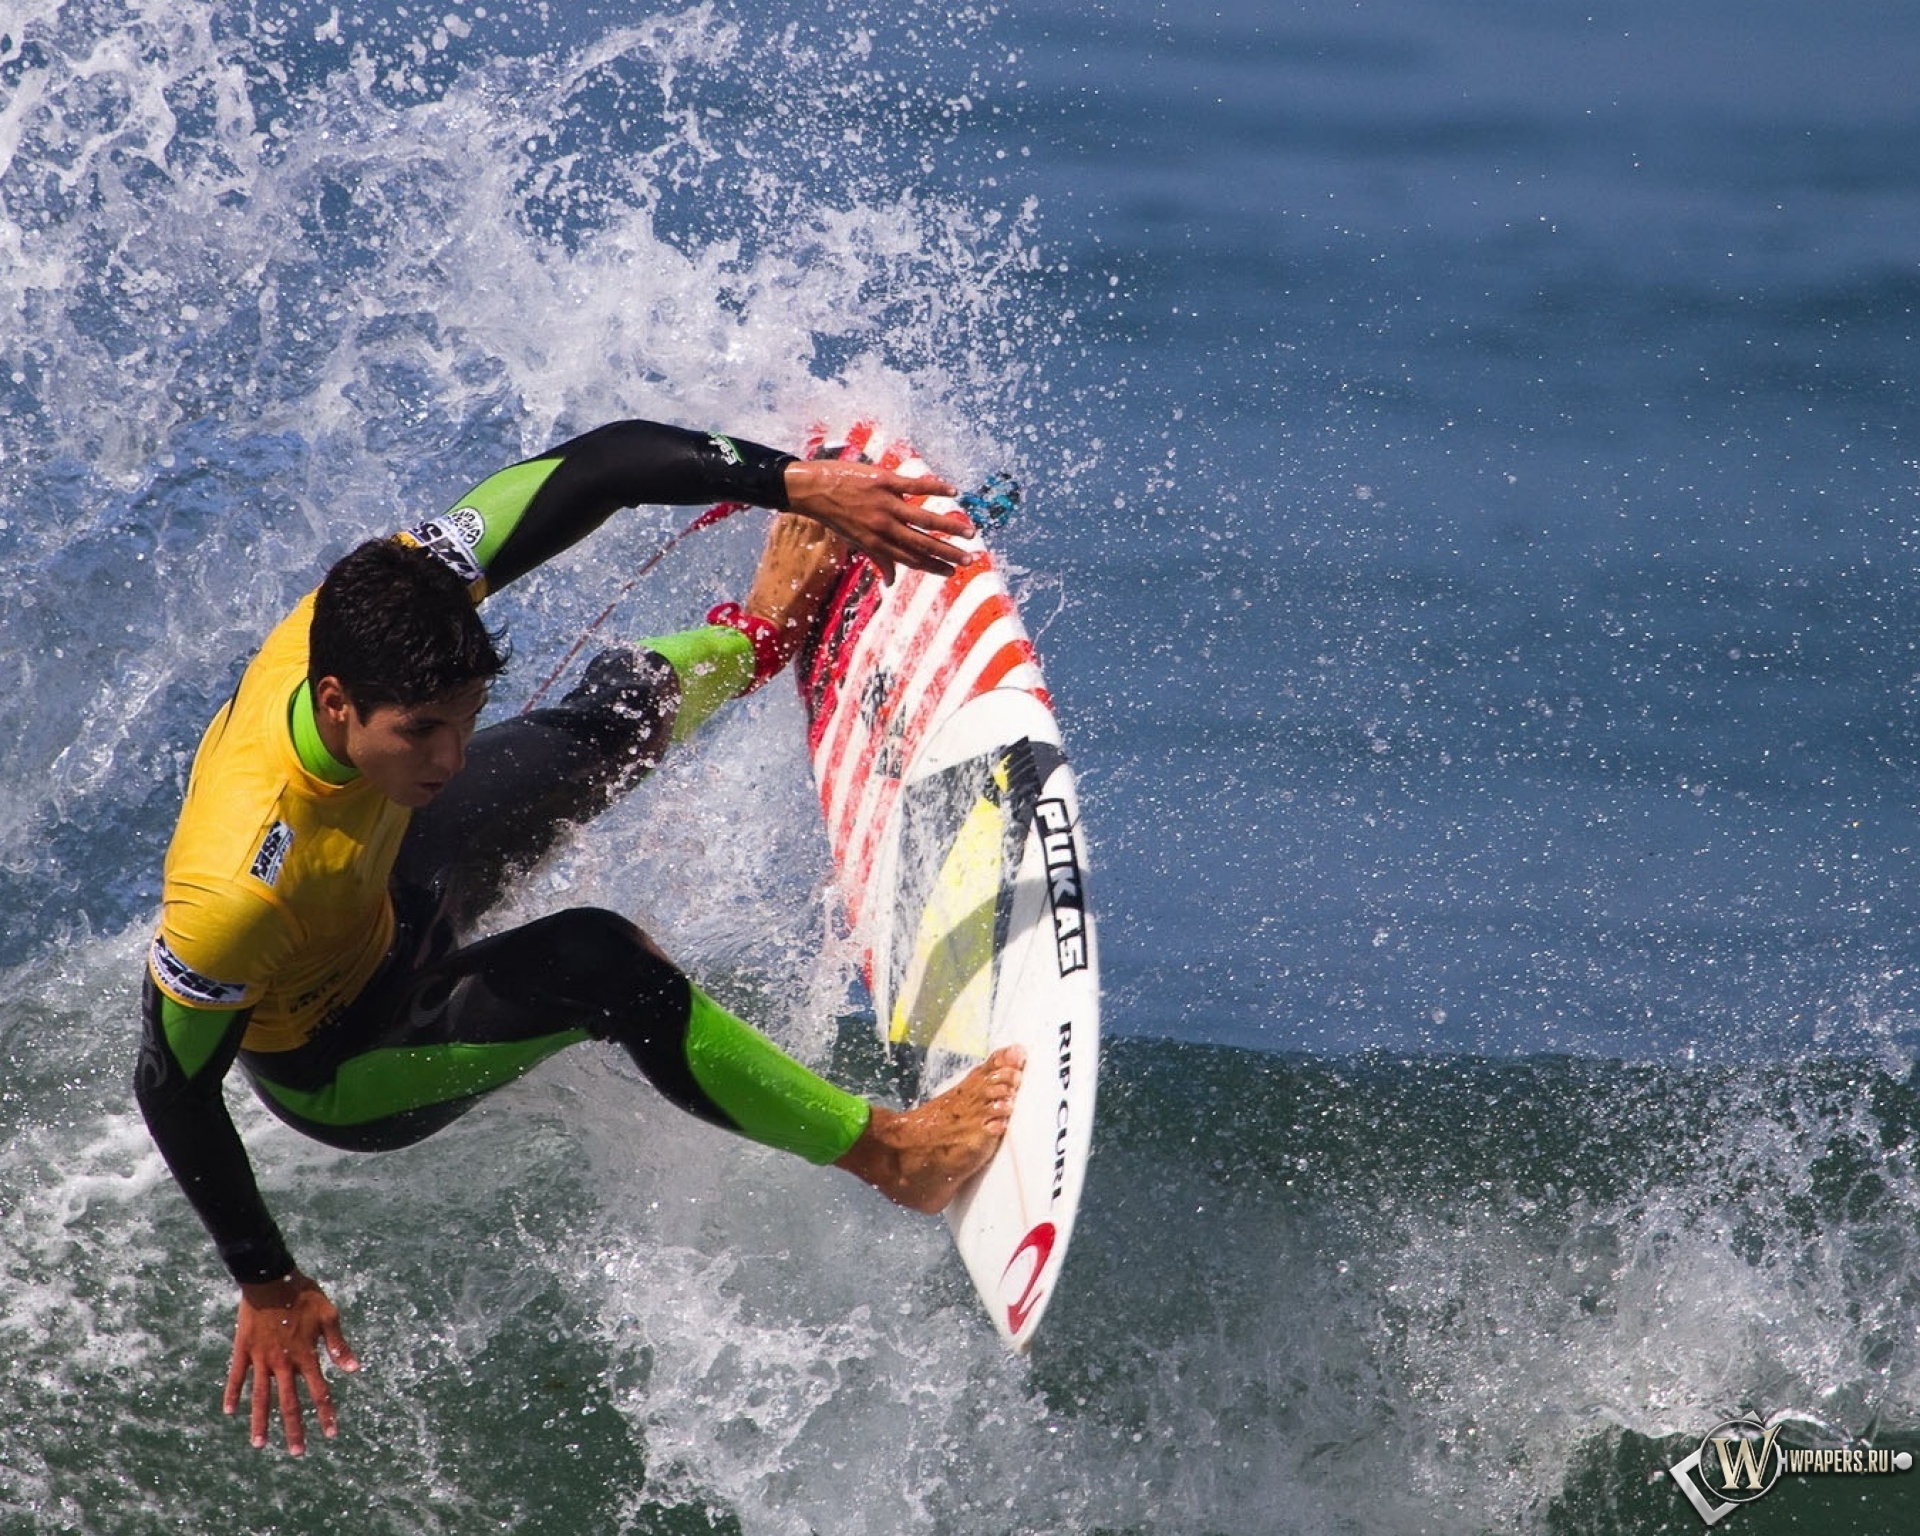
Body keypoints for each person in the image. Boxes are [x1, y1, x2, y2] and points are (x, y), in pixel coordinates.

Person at [134, 418, 1026, 1455]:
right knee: (601, 963)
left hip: (382, 881)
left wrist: (795, 484)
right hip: (344, 1049)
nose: (452, 752)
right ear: (336, 704)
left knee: (606, 720)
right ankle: (892, 1155)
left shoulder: (393, 598)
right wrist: (267, 1280)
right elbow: (172, 1085)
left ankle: (761, 637)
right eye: (422, 731)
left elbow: (594, 469)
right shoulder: (238, 885)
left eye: (465, 717)